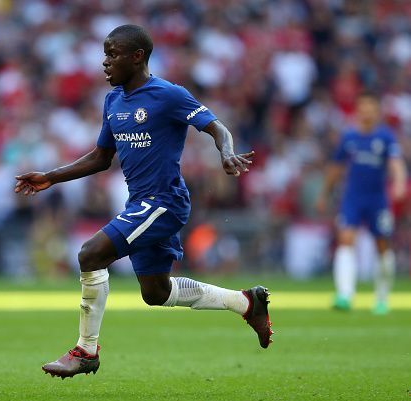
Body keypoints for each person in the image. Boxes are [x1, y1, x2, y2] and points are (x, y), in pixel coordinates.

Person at [15, 25, 273, 379]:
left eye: (112, 54)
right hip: (141, 203)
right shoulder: (113, 101)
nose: (104, 62)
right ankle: (246, 302)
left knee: (91, 254)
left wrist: (226, 152)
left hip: (164, 202)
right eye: (104, 54)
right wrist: (51, 176)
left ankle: (86, 350)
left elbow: (216, 127)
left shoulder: (168, 95)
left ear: (137, 57)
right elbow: (101, 158)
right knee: (156, 292)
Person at [316, 92, 407, 315]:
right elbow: (335, 169)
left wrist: (399, 183)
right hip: (352, 198)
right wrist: (324, 194)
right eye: (363, 107)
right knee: (345, 239)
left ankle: (382, 298)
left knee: (382, 245)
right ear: (358, 110)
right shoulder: (349, 137)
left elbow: (396, 163)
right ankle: (345, 295)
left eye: (370, 107)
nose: (366, 111)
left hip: (378, 200)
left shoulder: (386, 138)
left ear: (377, 111)